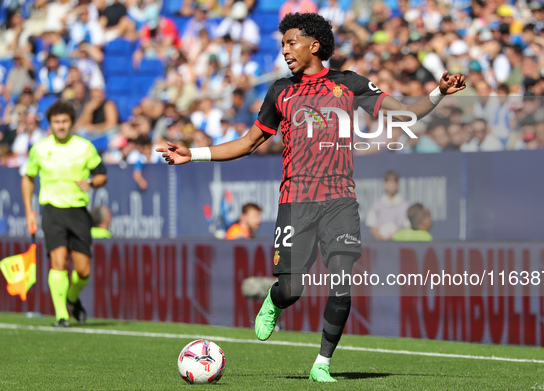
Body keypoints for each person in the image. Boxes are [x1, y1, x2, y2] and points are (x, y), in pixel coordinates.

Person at [157, 13, 465, 382]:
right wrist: (194, 153)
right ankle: (275, 300)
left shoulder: (349, 84)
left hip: (340, 200)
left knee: (341, 280)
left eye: (291, 42)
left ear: (314, 45)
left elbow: (402, 114)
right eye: (283, 43)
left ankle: (322, 363)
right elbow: (248, 142)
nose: (285, 50)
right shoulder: (280, 92)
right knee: (292, 288)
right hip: (295, 201)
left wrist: (438, 93)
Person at [22, 101, 107, 327]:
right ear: (50, 124)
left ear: (71, 123)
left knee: (83, 270)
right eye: (56, 122)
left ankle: (71, 297)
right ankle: (61, 315)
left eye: (65, 121)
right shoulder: (39, 149)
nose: (61, 126)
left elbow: (101, 176)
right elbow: (28, 177)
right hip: (52, 210)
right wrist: (29, 211)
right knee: (58, 262)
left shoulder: (85, 147)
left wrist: (90, 181)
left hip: (78, 211)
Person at [366, 170, 409, 240]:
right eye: (389, 183)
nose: (391, 186)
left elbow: (408, 227)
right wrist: (380, 237)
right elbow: (372, 228)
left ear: (397, 185)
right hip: (380, 245)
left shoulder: (405, 205)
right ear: (384, 184)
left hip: (399, 244)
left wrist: (397, 235)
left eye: (393, 183)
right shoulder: (376, 205)